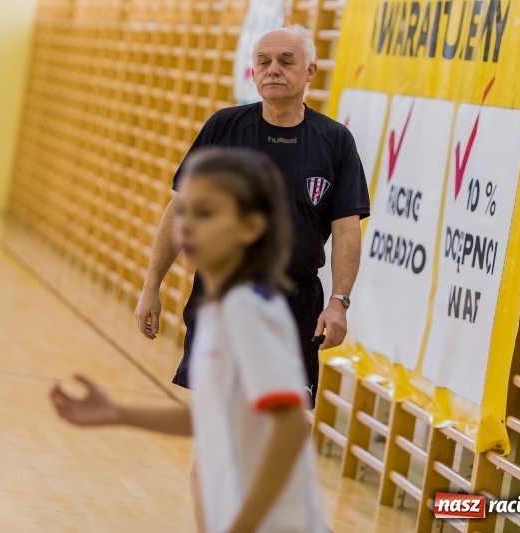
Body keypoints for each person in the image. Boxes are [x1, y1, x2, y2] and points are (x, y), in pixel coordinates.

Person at [51, 148, 328, 533]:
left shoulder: (251, 311)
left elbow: (292, 427)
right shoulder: (220, 307)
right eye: (185, 211)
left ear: (250, 227)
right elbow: (212, 416)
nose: (187, 226)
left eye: (207, 213)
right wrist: (118, 414)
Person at [135, 25, 370, 405]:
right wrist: (151, 285)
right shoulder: (225, 128)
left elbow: (346, 230)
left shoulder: (335, 142)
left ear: (310, 71)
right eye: (263, 62)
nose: (272, 69)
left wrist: (339, 302)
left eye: (285, 61)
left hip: (295, 305)